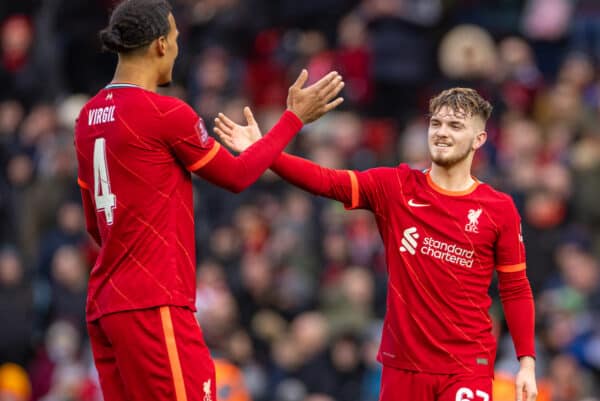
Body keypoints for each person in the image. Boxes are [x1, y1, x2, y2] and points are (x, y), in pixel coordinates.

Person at [73, 1, 344, 401]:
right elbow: (236, 176)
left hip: (105, 305)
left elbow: (96, 225)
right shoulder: (164, 113)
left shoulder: (87, 117)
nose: (180, 48)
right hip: (154, 303)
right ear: (161, 46)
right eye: (177, 39)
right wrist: (293, 119)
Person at [214, 88, 538, 401]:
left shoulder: (498, 209)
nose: (442, 132)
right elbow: (325, 180)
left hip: (467, 366)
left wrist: (526, 362)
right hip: (403, 365)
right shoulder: (395, 187)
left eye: (455, 126)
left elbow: (515, 288)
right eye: (436, 123)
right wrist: (263, 150)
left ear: (479, 138)